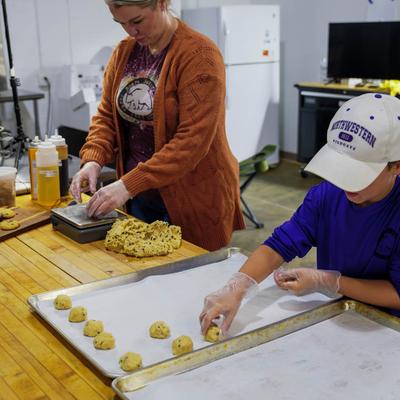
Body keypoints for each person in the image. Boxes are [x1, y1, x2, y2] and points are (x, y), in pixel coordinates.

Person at [200, 93, 400, 335]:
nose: (347, 184)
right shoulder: (326, 196)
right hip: (337, 313)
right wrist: (237, 287)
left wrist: (328, 281)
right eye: (342, 168)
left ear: (396, 166)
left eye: (358, 174)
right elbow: (279, 245)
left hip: (386, 327)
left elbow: (396, 294)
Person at [69, 0, 244, 251]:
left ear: (162, 3)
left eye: (137, 21)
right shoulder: (124, 53)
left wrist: (128, 185)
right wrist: (93, 160)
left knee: (192, 280)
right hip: (139, 196)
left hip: (192, 199)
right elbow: (107, 116)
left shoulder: (200, 55)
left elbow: (191, 142)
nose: (130, 31)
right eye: (121, 23)